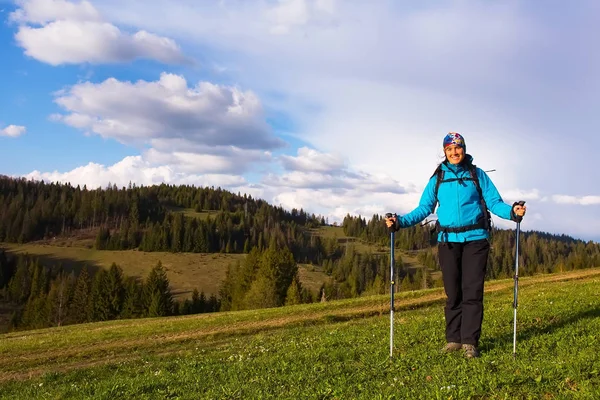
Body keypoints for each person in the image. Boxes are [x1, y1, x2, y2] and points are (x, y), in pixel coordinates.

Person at [385, 132, 526, 358]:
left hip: (476, 240)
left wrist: (512, 212)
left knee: (472, 291)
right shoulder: (438, 178)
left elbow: (494, 202)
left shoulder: (477, 175)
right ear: (444, 152)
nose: (454, 152)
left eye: (457, 148)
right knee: (453, 293)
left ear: (464, 149)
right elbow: (424, 208)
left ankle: (469, 342)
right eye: (449, 149)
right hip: (448, 242)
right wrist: (399, 222)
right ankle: (453, 339)